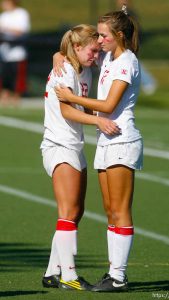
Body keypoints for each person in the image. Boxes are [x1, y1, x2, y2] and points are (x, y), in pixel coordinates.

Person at [55, 7, 143, 292]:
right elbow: (74, 49)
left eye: (104, 35)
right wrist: (58, 55)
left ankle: (118, 276)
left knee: (120, 210)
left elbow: (108, 106)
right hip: (106, 140)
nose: (99, 40)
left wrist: (70, 97)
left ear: (118, 36)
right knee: (109, 210)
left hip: (121, 139)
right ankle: (113, 273)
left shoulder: (126, 62)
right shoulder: (109, 56)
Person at [40, 24, 120, 292]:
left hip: (74, 145)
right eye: (92, 51)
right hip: (59, 145)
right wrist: (99, 122)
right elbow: (67, 111)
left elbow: (80, 100)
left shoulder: (82, 68)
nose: (95, 57)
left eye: (98, 51)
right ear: (76, 47)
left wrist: (60, 53)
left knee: (76, 212)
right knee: (67, 212)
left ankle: (53, 271)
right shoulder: (64, 70)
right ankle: (68, 275)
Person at [116, 0, 157, 95]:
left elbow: (133, 29)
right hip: (127, 43)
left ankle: (149, 82)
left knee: (133, 64)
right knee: (133, 64)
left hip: (129, 43)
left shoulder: (127, 12)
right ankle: (148, 82)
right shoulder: (125, 12)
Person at [0, 0, 30, 106]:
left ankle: (16, 98)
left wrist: (5, 29)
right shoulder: (3, 16)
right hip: (4, 54)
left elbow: (21, 31)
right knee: (4, 77)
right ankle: (4, 96)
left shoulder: (21, 13)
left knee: (17, 78)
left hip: (17, 53)